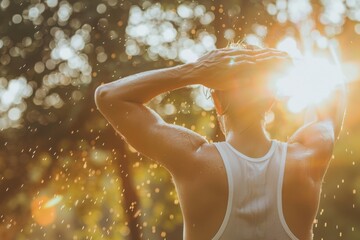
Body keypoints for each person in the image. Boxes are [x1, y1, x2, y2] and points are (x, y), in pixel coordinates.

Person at [94, 46, 346, 240]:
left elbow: (109, 97)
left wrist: (195, 71)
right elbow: (336, 89)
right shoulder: (307, 158)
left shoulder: (195, 161)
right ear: (270, 101)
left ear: (216, 102)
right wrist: (287, 64)